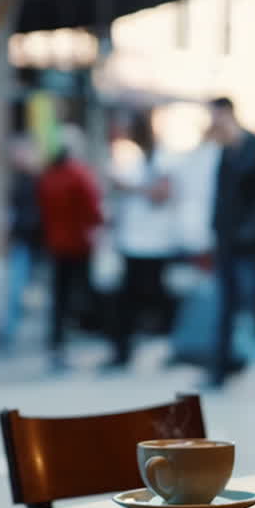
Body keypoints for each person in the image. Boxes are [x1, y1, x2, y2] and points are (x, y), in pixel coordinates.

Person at [105, 110, 176, 367]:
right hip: (132, 241)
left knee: (154, 296)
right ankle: (122, 351)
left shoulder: (163, 158)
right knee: (126, 299)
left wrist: (131, 188)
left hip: (154, 243)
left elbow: (163, 193)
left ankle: (170, 345)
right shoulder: (131, 159)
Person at [206, 97, 255, 388]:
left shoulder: (253, 147)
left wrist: (249, 233)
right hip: (227, 240)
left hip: (250, 244)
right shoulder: (225, 151)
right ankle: (220, 368)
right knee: (224, 305)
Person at [38, 125, 103, 369]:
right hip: (78, 243)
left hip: (56, 243)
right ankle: (78, 337)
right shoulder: (79, 175)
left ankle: (57, 344)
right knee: (81, 293)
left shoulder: (48, 176)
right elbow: (93, 209)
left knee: (59, 297)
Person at [0, 134, 42, 353]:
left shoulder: (38, 180)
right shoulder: (16, 181)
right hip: (23, 242)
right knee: (15, 289)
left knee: (32, 290)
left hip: (39, 243)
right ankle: (9, 335)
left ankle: (31, 334)